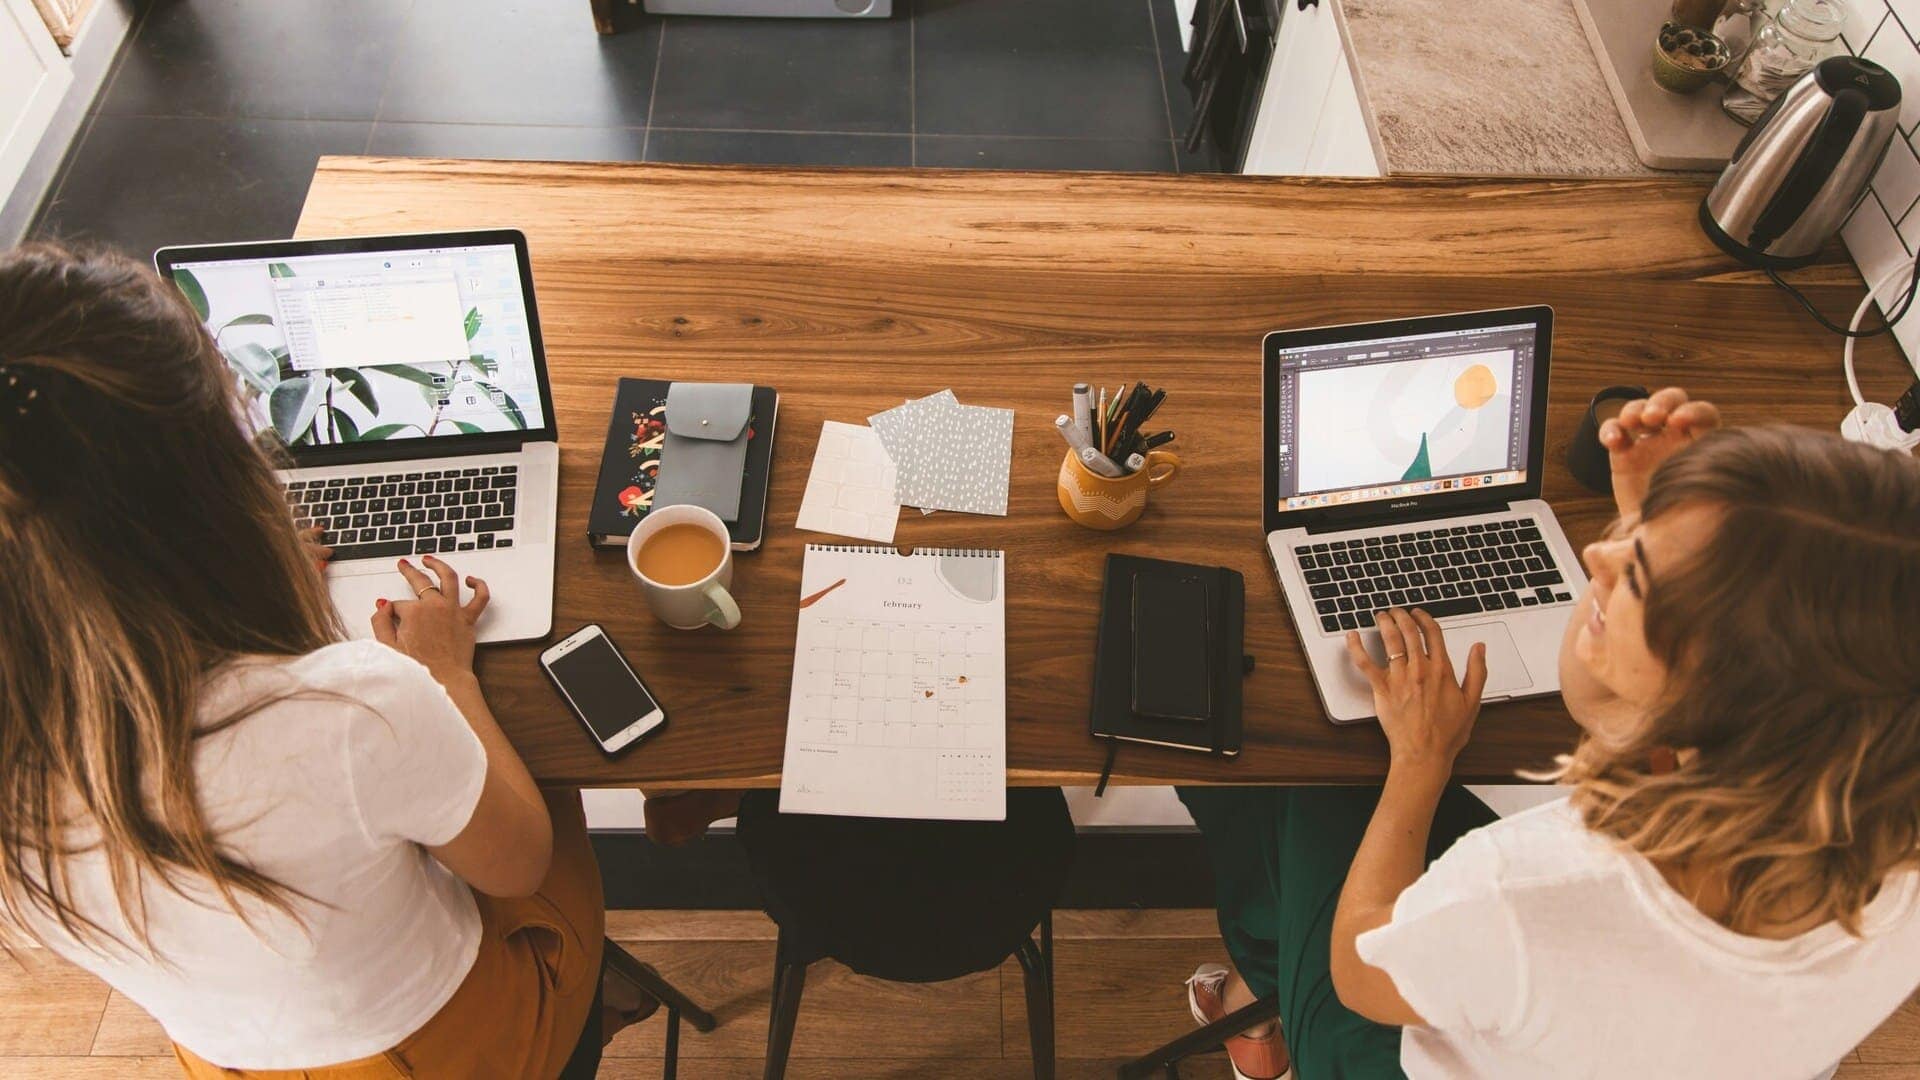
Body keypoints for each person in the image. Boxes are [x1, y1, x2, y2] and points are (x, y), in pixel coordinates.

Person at [0, 243, 649, 1077]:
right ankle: (583, 994)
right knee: (545, 785)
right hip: (454, 1051)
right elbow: (517, 861)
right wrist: (446, 673)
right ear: (210, 490)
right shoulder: (356, 708)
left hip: (230, 1060)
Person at [1178, 388, 1920, 1079]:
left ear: (1720, 693)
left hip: (1379, 1032)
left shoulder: (1532, 888)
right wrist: (1671, 518)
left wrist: (1420, 760)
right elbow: (1603, 704)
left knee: (1298, 763)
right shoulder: (1885, 826)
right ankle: (1258, 987)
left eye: (1639, 576)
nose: (1596, 554)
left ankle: (1266, 1008)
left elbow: (1362, 971)